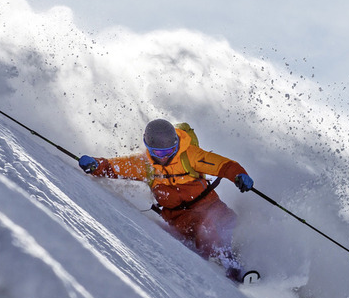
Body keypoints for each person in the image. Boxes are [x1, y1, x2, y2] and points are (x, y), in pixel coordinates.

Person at [78, 119, 255, 281]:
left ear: (176, 145)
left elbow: (225, 166)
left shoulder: (191, 156)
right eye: (157, 152)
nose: (163, 157)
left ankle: (238, 255)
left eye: (169, 151)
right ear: (148, 147)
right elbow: (112, 167)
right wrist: (95, 165)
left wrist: (239, 175)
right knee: (205, 227)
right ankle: (231, 266)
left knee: (231, 223)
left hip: (210, 205)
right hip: (180, 217)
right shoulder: (144, 165)